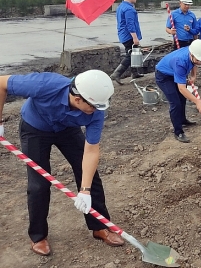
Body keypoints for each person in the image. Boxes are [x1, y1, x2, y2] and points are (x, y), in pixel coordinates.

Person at [0, 70, 124, 256]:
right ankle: (38, 236)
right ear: (77, 99)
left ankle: (99, 226)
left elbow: (91, 151)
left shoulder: (96, 111)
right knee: (38, 185)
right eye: (93, 106)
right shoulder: (44, 84)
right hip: (35, 127)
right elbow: (2, 83)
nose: (96, 110)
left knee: (89, 175)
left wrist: (85, 190)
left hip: (67, 129)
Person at [155, 40, 201, 143]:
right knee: (175, 102)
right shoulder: (180, 61)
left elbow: (194, 63)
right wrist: (197, 101)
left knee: (182, 98)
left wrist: (194, 76)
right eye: (199, 60)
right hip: (164, 77)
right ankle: (178, 132)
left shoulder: (193, 52)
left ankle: (183, 120)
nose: (200, 62)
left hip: (173, 72)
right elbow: (182, 88)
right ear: (192, 55)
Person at [110, 0, 143, 84]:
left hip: (123, 34)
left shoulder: (121, 6)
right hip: (129, 36)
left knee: (133, 53)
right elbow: (130, 24)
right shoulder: (129, 9)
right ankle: (117, 73)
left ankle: (134, 72)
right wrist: (135, 38)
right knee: (131, 55)